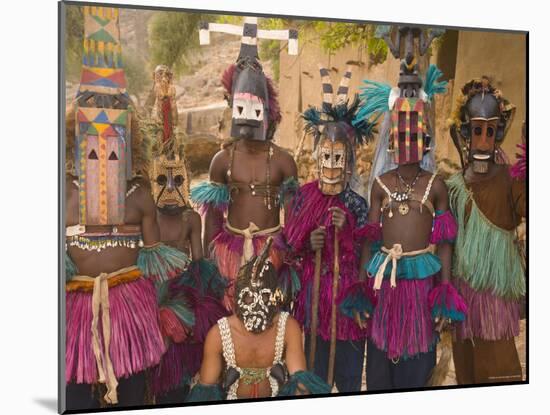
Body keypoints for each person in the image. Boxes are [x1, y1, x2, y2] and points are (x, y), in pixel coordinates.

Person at [64, 6, 188, 410]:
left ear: (129, 138)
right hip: (76, 308)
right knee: (75, 391)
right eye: (92, 140)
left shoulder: (137, 195)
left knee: (133, 390)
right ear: (75, 134)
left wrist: (164, 312)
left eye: (113, 144)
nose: (103, 151)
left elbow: (156, 265)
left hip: (130, 307)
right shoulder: (61, 193)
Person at [340, 57, 466, 390]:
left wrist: (443, 294)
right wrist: (361, 294)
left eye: (416, 133)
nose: (408, 140)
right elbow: (369, 240)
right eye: (402, 133)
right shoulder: (380, 185)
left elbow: (445, 245)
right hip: (384, 287)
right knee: (380, 366)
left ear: (426, 139)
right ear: (391, 140)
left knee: (418, 363)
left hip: (421, 286)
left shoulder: (436, 185)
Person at [191, 20, 298, 309]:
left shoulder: (284, 162)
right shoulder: (222, 160)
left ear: (268, 111)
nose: (248, 117)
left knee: (270, 318)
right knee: (233, 317)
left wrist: (291, 258)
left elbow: (295, 218)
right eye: (240, 108)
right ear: (231, 106)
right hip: (230, 255)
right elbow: (211, 222)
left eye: (255, 109)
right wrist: (209, 267)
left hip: (272, 255)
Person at [284, 65, 373, 392]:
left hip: (348, 302)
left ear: (350, 163)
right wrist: (310, 242)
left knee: (349, 377)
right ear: (316, 157)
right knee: (315, 373)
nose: (332, 167)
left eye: (339, 159)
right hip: (315, 300)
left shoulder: (358, 203)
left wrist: (346, 231)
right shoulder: (304, 198)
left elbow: (367, 251)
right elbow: (290, 247)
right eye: (326, 157)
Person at [146, 64, 229, 403]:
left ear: (186, 177)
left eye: (177, 180)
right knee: (148, 371)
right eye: (161, 180)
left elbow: (198, 265)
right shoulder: (145, 214)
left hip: (180, 302)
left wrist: (192, 308)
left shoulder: (190, 219)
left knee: (175, 378)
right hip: (149, 301)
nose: (169, 189)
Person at [447, 78, 526, 384]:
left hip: (496, 295)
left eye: (489, 131)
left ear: (498, 133)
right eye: (476, 130)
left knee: (499, 369)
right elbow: (447, 240)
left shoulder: (510, 179)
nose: (482, 139)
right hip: (462, 293)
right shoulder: (454, 185)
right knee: (466, 367)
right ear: (465, 131)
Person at [186, 239, 330, 401]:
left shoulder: (288, 327)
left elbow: (300, 384)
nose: (257, 305)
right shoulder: (218, 335)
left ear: (275, 296)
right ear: (236, 297)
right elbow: (206, 392)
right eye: (249, 297)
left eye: (265, 296)